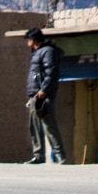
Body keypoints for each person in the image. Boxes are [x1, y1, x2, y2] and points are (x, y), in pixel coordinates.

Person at [25, 28, 66, 164]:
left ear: (33, 40)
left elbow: (51, 73)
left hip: (43, 95)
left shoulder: (48, 52)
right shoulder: (36, 53)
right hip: (34, 96)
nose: (27, 43)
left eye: (28, 40)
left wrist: (43, 90)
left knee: (49, 126)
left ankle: (60, 156)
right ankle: (38, 155)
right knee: (34, 126)